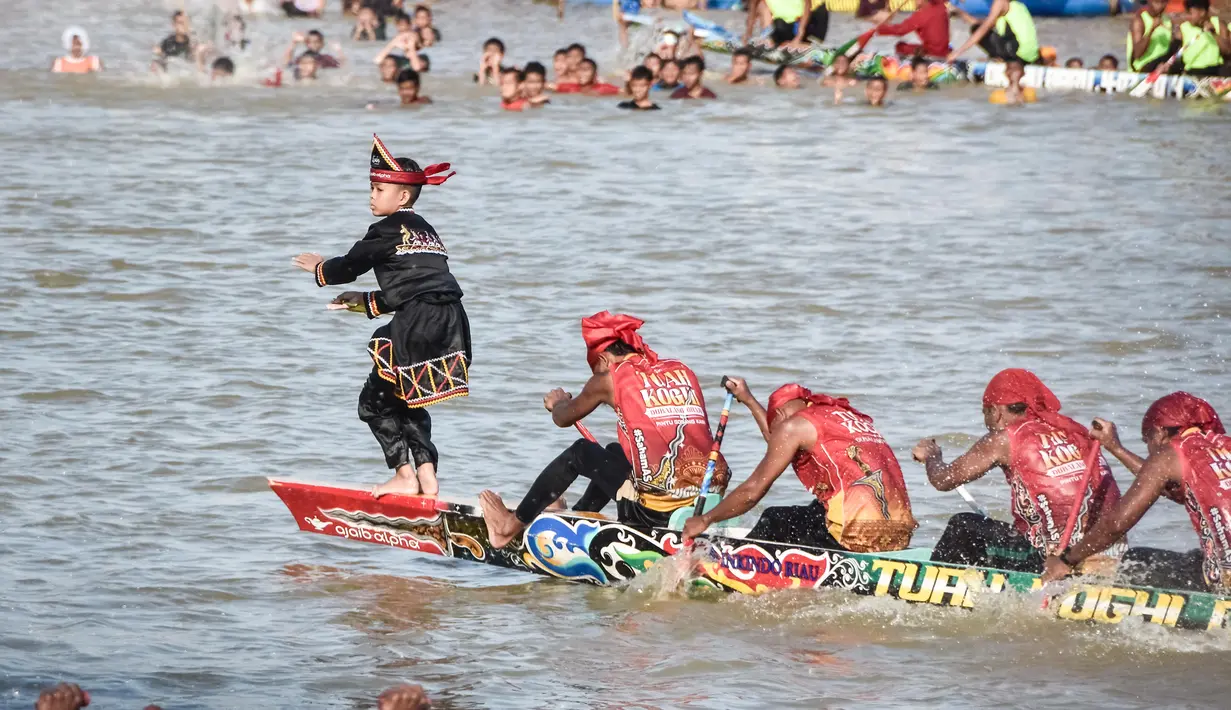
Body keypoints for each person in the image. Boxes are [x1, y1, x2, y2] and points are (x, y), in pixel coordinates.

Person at [292, 135, 467, 499]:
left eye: (379, 188)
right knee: (409, 398)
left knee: (372, 403)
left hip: (418, 321)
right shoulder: (426, 230)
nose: (372, 195)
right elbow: (420, 287)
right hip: (452, 320)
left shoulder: (385, 229)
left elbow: (350, 265)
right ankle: (427, 475)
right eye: (371, 187)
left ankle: (404, 475)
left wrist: (320, 268)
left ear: (402, 196)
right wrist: (364, 302)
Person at [479, 312, 730, 548]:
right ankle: (578, 515)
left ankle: (507, 528)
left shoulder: (610, 377)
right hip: (709, 503)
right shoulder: (680, 370)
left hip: (655, 514)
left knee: (581, 452)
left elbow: (563, 418)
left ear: (603, 359)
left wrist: (558, 402)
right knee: (613, 452)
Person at [911, 369, 1123, 573]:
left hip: (1056, 560)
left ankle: (930, 589)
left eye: (985, 413)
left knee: (963, 525)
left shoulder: (1005, 438)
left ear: (995, 412)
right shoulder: (1074, 431)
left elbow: (943, 479)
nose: (986, 422)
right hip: (1112, 554)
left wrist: (932, 456)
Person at [682, 379, 916, 551]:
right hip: (900, 532)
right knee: (817, 509)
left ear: (782, 414)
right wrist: (749, 400)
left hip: (856, 534)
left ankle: (739, 567)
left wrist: (705, 520)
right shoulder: (838, 416)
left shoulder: (793, 426)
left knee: (775, 519)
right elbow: (780, 443)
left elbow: (753, 491)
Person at [1040, 392, 1229, 592]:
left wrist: (1067, 559)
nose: (1149, 448)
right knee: (1196, 557)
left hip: (1226, 582)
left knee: (1137, 560)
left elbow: (1116, 523)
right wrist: (1115, 448)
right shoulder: (1223, 447)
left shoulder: (1169, 454)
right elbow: (1170, 489)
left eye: (1146, 440)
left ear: (1160, 433)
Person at [948, 0, 1040, 65]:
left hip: (1017, 56)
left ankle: (1001, 60)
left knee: (976, 30)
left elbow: (983, 29)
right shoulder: (1019, 5)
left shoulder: (1000, 2)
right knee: (978, 28)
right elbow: (983, 24)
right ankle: (1000, 58)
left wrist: (957, 53)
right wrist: (961, 13)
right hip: (1031, 57)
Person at [872, 0, 951, 59]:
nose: (914, 2)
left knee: (900, 46)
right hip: (945, 51)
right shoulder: (941, 6)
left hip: (932, 53)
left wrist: (879, 29)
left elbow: (900, 30)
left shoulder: (921, 14)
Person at [1175, 0, 1230, 77]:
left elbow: (1227, 50)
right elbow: (1174, 51)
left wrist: (1213, 33)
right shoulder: (1183, 27)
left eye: (1190, 13)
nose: (1187, 17)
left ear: (1202, 12)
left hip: (1215, 70)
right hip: (1192, 71)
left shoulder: (1217, 24)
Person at [747, 0, 829, 47]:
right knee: (761, 4)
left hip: (803, 25)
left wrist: (799, 37)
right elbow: (753, 9)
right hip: (780, 26)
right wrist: (748, 34)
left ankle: (802, 45)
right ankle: (768, 38)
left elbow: (807, 6)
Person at [1127, 0, 1175, 73]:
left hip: (1161, 68)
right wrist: (1151, 30)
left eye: (1164, 2)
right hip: (1141, 69)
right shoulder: (1139, 20)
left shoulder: (1168, 20)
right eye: (1157, 2)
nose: (1160, 6)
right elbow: (1137, 53)